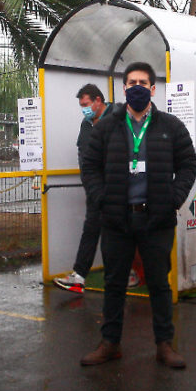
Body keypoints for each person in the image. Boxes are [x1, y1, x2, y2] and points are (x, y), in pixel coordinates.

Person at [78, 62, 196, 369]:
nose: (137, 87)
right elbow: (89, 166)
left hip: (156, 219)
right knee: (114, 283)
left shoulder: (171, 126)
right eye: (131, 82)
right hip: (117, 219)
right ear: (124, 88)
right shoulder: (106, 126)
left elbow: (188, 165)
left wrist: (173, 198)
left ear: (153, 88)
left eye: (143, 82)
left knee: (159, 283)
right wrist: (101, 199)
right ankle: (110, 343)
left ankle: (164, 344)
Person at [54, 83, 119, 292]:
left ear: (98, 101)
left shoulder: (119, 115)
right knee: (91, 229)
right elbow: (84, 156)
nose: (84, 108)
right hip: (97, 190)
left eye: (86, 104)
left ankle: (132, 272)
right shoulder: (86, 124)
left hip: (120, 187)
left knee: (122, 232)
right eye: (82, 105)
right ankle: (79, 276)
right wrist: (92, 186)